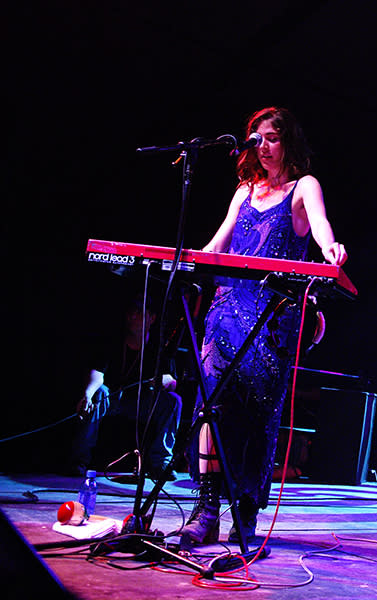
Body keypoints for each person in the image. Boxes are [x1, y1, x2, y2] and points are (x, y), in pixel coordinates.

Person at [176, 106, 347, 547]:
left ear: (288, 141)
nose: (263, 146)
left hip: (272, 318)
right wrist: (186, 259)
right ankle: (206, 508)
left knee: (255, 413)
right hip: (227, 308)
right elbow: (220, 243)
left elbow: (322, 226)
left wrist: (332, 248)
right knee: (211, 402)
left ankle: (245, 509)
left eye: (272, 137)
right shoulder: (244, 191)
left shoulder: (303, 186)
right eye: (257, 138)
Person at [69, 293, 183, 481]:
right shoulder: (113, 340)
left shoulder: (158, 346)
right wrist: (87, 395)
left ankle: (160, 463)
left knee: (173, 401)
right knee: (98, 394)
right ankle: (78, 460)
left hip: (141, 403)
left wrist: (166, 381)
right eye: (131, 311)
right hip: (113, 399)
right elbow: (98, 373)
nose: (132, 316)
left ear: (152, 318)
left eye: (139, 311)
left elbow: (173, 382)